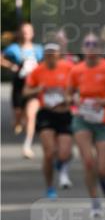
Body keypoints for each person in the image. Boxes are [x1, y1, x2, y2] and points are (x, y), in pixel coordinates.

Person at [67, 32, 105, 216]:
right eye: (87, 44)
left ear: (99, 49)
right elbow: (69, 94)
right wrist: (74, 99)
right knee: (88, 162)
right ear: (82, 49)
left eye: (94, 44)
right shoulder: (76, 70)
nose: (90, 48)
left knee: (103, 168)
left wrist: (104, 101)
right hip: (83, 119)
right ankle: (95, 202)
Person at [23, 42, 75, 198]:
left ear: (59, 55)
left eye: (53, 54)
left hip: (64, 113)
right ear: (44, 55)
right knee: (49, 152)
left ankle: (60, 164)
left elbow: (77, 89)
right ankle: (50, 187)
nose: (50, 57)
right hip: (46, 113)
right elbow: (26, 92)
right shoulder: (38, 71)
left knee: (65, 154)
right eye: (48, 54)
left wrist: (69, 97)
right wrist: (37, 90)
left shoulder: (68, 68)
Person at [0, 22, 44, 158]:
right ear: (20, 33)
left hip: (33, 86)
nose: (26, 34)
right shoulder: (13, 48)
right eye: (24, 31)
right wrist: (11, 66)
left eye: (28, 31)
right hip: (19, 85)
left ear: (32, 33)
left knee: (31, 115)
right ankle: (19, 120)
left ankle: (27, 146)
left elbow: (45, 63)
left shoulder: (38, 49)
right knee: (18, 115)